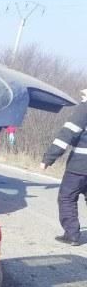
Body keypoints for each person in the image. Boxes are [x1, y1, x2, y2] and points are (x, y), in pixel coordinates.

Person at [40, 88, 87, 246]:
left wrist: (49, 158)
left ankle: (72, 234)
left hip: (80, 166)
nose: (82, 92)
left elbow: (67, 134)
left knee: (67, 197)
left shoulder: (85, 108)